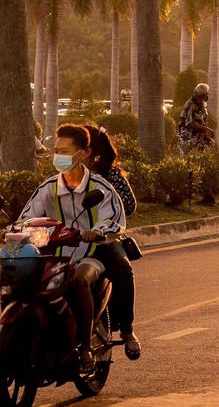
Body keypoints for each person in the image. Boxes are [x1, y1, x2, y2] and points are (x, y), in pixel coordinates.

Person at [17, 123, 125, 371]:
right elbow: (27, 218)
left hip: (89, 255)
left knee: (79, 280)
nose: (59, 157)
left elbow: (114, 220)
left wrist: (95, 232)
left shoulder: (101, 188)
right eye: (56, 150)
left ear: (84, 153)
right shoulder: (48, 188)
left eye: (65, 151)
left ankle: (85, 348)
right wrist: (13, 231)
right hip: (53, 257)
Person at [80, 124, 141, 361]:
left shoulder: (111, 175)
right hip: (68, 240)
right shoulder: (65, 177)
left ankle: (127, 331)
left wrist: (104, 220)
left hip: (104, 240)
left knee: (123, 269)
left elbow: (129, 205)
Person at [177, 84, 214, 154]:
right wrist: (206, 129)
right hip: (187, 138)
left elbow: (204, 122)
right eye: (199, 96)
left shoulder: (203, 106)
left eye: (203, 96)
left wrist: (204, 133)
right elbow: (189, 123)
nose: (201, 98)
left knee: (211, 144)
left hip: (199, 138)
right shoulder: (190, 105)